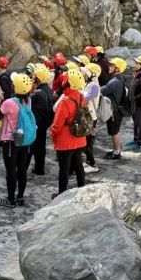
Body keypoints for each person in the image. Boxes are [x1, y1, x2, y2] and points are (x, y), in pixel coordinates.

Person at [0, 73, 35, 208]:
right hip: (24, 140)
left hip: (10, 141)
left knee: (11, 171)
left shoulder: (9, 102)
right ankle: (20, 197)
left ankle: (10, 200)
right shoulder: (27, 101)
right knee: (22, 169)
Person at [50, 69, 87, 198]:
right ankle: (82, 188)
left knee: (64, 170)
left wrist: (53, 135)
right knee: (78, 165)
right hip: (79, 138)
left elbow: (57, 125)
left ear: (68, 83)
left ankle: (61, 195)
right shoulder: (81, 97)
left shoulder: (65, 101)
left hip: (65, 141)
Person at [27, 64, 54, 175]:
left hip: (36, 123)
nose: (32, 78)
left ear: (38, 78)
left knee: (30, 148)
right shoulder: (48, 89)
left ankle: (22, 171)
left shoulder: (38, 93)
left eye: (34, 76)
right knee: (40, 147)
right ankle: (39, 168)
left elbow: (26, 98)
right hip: (44, 123)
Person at [101, 57, 128, 160]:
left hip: (114, 111)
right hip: (116, 109)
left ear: (117, 69)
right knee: (114, 131)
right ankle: (116, 150)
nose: (109, 67)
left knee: (114, 132)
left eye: (112, 66)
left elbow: (103, 90)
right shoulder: (118, 78)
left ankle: (116, 153)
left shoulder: (115, 81)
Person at [125, 56, 141, 152]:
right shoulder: (136, 74)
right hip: (133, 103)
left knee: (140, 124)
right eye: (135, 63)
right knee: (135, 122)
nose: (134, 65)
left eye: (137, 64)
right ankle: (135, 140)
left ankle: (139, 143)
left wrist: (136, 99)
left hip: (139, 105)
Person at [81, 64, 101, 173]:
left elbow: (86, 98)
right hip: (86, 115)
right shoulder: (87, 83)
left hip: (90, 117)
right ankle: (89, 161)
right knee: (86, 142)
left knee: (86, 142)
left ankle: (93, 164)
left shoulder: (94, 86)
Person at [0, 56, 12, 156]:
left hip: (2, 105)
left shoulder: (2, 78)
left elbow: (4, 93)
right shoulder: (9, 75)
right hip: (8, 103)